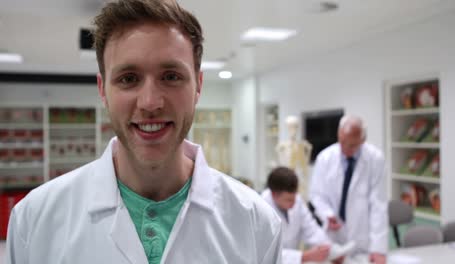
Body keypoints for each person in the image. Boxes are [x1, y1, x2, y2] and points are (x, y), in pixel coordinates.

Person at [5, 1, 282, 263]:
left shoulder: (255, 224)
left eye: (171, 76)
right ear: (103, 89)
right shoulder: (35, 220)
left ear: (198, 84)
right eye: (128, 79)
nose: (150, 102)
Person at [309, 115, 388, 264]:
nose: (345, 148)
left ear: (362, 141)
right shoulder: (324, 158)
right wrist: (327, 214)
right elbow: (316, 195)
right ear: (339, 135)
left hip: (362, 238)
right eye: (342, 142)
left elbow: (378, 204)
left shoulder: (375, 159)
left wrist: (378, 249)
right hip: (333, 236)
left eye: (352, 145)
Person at [262, 166, 354, 264]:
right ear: (274, 194)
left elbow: (311, 229)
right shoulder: (262, 210)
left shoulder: (296, 201)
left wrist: (329, 250)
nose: (293, 203)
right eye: (288, 200)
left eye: (294, 198)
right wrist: (305, 256)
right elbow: (266, 253)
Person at [276, 115, 312, 199]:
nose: (293, 130)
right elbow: (281, 163)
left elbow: (304, 166)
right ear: (287, 128)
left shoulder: (302, 145)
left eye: (295, 127)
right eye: (291, 127)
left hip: (299, 180)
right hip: (286, 180)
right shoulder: (282, 146)